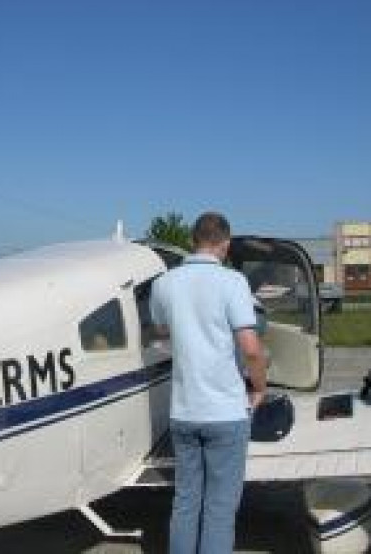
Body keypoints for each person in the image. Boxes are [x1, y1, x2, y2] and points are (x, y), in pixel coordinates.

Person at [150, 211, 267, 554]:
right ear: (225, 244)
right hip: (226, 415)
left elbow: (160, 330)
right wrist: (259, 388)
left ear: (192, 240)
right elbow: (252, 350)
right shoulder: (233, 282)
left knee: (185, 504)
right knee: (218, 511)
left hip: (184, 413)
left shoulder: (164, 283)